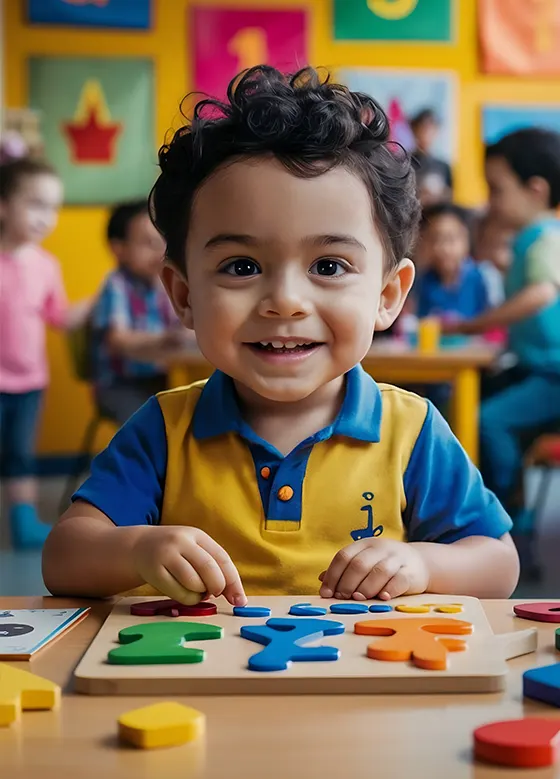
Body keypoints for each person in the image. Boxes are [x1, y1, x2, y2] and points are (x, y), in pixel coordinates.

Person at [43, 66, 519, 604]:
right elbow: (63, 558)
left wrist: (422, 561)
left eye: (330, 265)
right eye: (242, 267)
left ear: (388, 295)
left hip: (364, 685)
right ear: (184, 296)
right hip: (201, 687)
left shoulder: (410, 432)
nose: (286, 302)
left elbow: (498, 562)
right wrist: (134, 550)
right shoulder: (163, 430)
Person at [442, 128, 560, 563]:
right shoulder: (531, 240)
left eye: (497, 189)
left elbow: (542, 293)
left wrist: (475, 324)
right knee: (465, 401)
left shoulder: (546, 237)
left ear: (536, 190)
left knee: (488, 420)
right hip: (535, 369)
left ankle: (512, 516)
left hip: (553, 374)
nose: (491, 200)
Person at [0, 158, 82, 549]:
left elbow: (60, 317)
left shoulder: (47, 265)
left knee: (20, 453)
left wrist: (98, 302)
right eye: (35, 204)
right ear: (3, 205)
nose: (46, 216)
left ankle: (24, 522)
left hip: (31, 380)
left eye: (52, 207)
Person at [90, 200, 187, 426]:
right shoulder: (116, 285)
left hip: (160, 379)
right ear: (119, 249)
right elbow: (118, 340)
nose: (159, 250)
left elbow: (183, 326)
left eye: (162, 241)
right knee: (149, 425)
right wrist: (165, 339)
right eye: (147, 242)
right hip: (119, 385)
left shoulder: (164, 285)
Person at [415, 203, 489, 322]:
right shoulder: (422, 281)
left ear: (467, 239)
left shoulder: (484, 278)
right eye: (434, 239)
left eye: (451, 239)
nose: (443, 248)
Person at [409, 108, 453, 194]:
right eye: (423, 127)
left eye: (431, 128)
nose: (427, 133)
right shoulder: (403, 163)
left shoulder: (443, 167)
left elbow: (449, 197)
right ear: (414, 129)